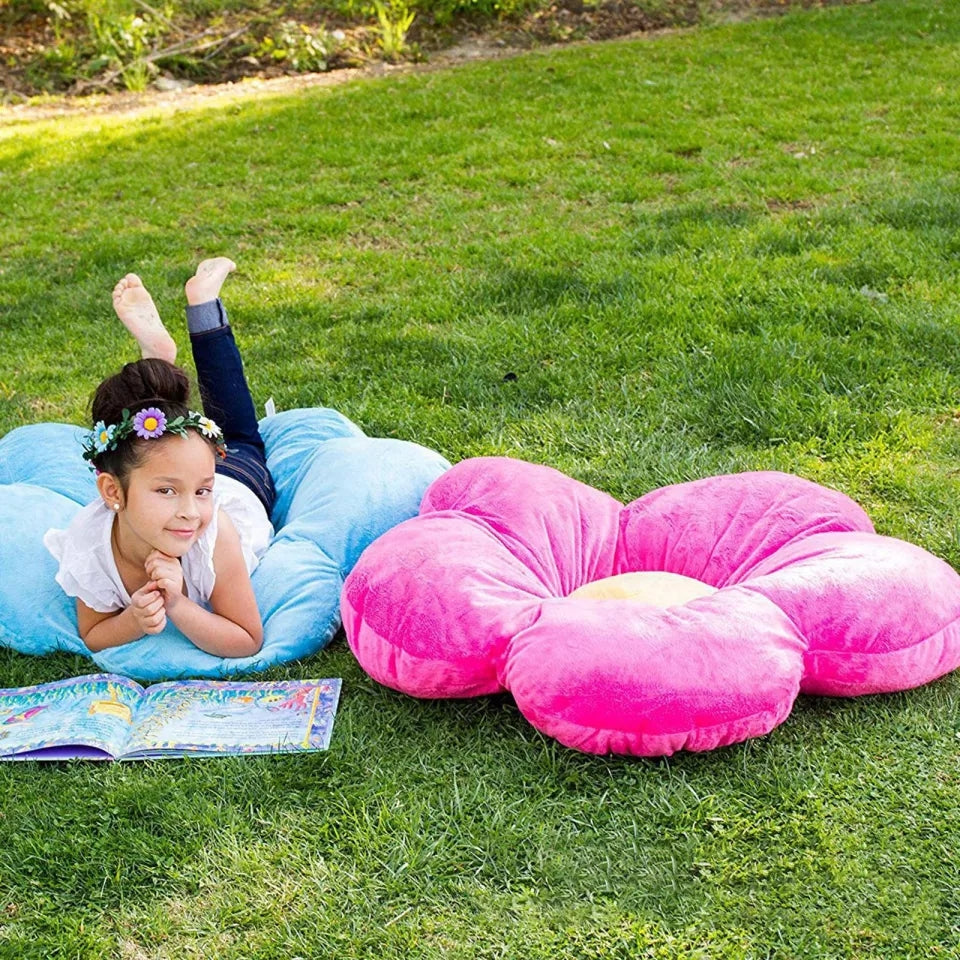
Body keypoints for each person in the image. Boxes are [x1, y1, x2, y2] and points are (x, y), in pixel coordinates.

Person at [44, 257, 274, 657]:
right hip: (185, 459)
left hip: (235, 478)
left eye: (201, 494)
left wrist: (178, 604)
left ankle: (203, 307)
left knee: (239, 434)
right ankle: (161, 366)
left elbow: (247, 640)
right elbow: (94, 634)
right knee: (180, 443)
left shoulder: (214, 533)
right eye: (166, 492)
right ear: (112, 491)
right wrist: (131, 621)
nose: (190, 513)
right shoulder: (90, 546)